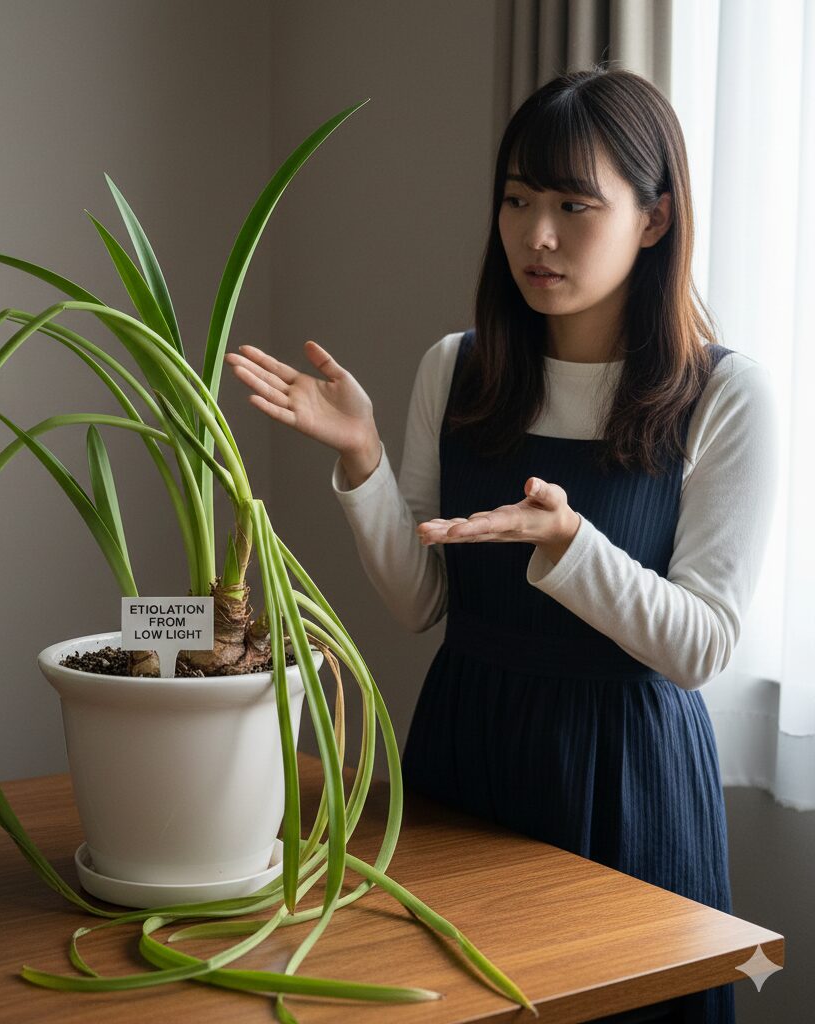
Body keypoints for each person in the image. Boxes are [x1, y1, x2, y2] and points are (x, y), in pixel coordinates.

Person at [224, 65, 777, 1024]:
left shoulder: (726, 394)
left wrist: (572, 543)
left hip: (628, 774)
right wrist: (361, 458)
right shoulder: (462, 366)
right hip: (466, 743)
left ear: (653, 219)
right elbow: (419, 605)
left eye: (574, 204)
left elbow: (702, 649)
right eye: (517, 200)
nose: (537, 235)